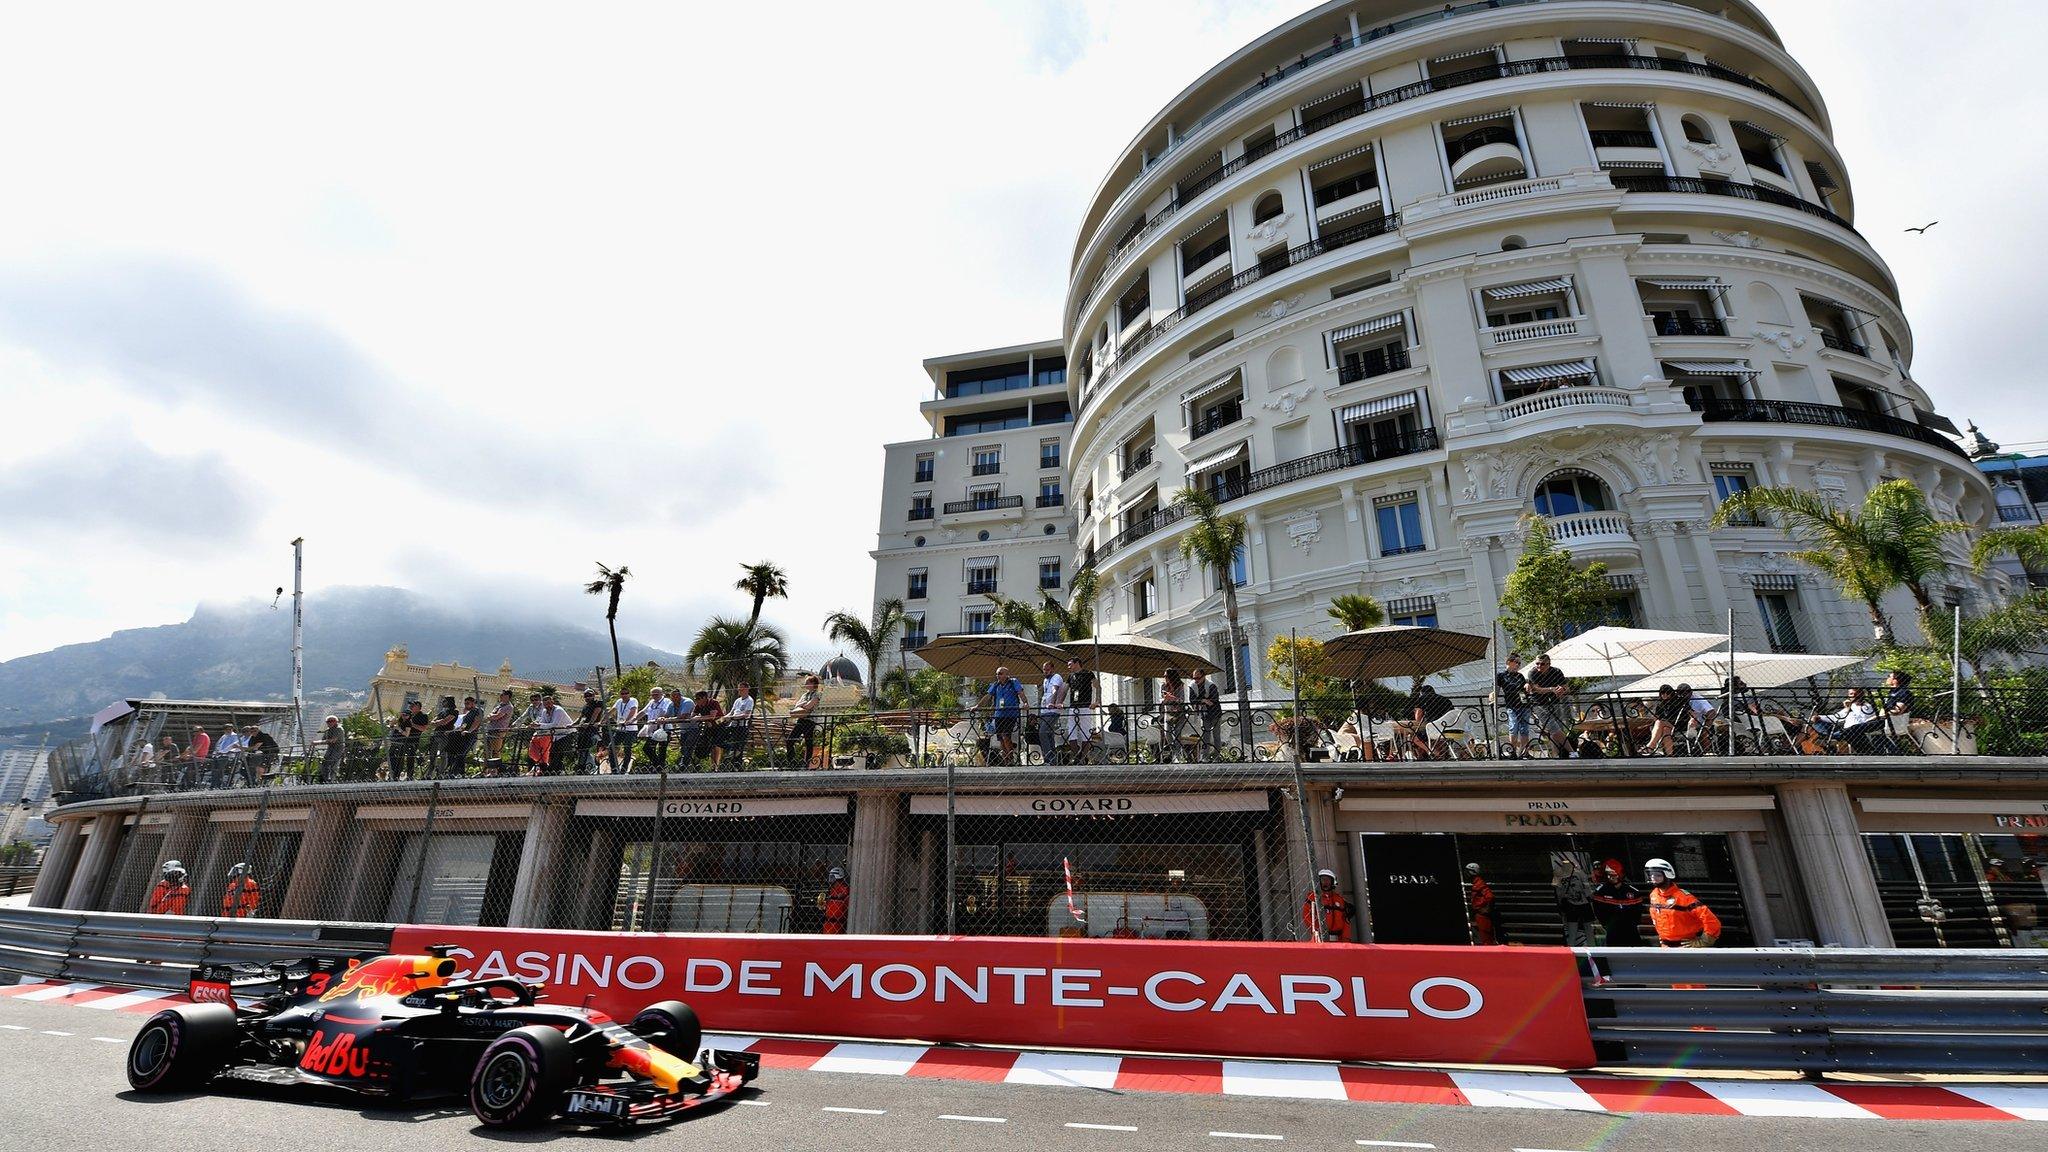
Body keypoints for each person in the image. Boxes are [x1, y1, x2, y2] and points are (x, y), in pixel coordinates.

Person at [1644, 858, 1721, 947]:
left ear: (1668, 875)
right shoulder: (1654, 895)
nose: (1653, 878)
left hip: (1685, 946)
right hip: (1665, 946)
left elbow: (1712, 921)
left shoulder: (1684, 898)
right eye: (1651, 874)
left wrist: (1704, 941)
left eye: (1657, 875)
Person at [1526, 653, 1575, 757]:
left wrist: (1562, 689)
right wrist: (1552, 689)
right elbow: (1536, 689)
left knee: (1556, 730)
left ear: (1549, 664)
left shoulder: (1556, 671)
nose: (1539, 666)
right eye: (1537, 663)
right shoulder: (1532, 672)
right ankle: (1572, 752)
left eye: (1542, 664)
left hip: (1555, 702)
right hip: (1539, 704)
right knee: (1554, 728)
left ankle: (1556, 754)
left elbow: (1567, 687)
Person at [1590, 859, 1645, 946]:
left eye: (1614, 874)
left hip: (1631, 933)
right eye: (1608, 874)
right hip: (1611, 933)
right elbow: (1599, 913)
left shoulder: (1633, 892)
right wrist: (1609, 925)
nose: (1611, 877)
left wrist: (1630, 924)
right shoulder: (1600, 892)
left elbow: (1637, 913)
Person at [1811, 686, 1879, 750]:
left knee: (1848, 730)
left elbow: (1862, 720)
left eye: (1855, 693)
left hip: (1854, 730)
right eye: (1851, 694)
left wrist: (1848, 708)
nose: (1853, 696)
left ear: (1861, 694)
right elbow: (1836, 717)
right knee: (1818, 722)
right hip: (1842, 730)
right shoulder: (1851, 706)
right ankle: (1827, 736)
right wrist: (1820, 717)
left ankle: (1828, 738)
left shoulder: (1867, 706)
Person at [985, 667, 1026, 764]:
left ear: (1007, 674)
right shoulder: (996, 685)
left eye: (1000, 673)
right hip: (999, 714)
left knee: (1005, 736)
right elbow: (988, 696)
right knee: (1000, 738)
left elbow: (1020, 692)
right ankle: (1006, 759)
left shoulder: (1013, 682)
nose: (998, 676)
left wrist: (1025, 703)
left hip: (1010, 714)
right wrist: (977, 706)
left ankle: (1011, 758)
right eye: (997, 674)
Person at [1495, 653, 1533, 759]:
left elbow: (1523, 688)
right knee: (1513, 726)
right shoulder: (1501, 676)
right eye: (1516, 662)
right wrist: (1493, 696)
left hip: (1523, 704)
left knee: (1524, 728)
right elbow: (1496, 690)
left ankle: (1524, 752)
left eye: (1519, 663)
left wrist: (1526, 685)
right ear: (1509, 662)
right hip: (1512, 705)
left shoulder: (1519, 676)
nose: (1518, 665)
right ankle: (1513, 750)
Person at [1553, 854, 1596, 947]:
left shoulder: (1577, 873)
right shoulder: (1559, 874)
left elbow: (1586, 887)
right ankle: (1575, 948)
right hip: (1573, 904)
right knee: (1575, 929)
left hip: (1581, 903)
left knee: (1585, 928)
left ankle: (1591, 948)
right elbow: (1557, 891)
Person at [1301, 868, 1354, 942]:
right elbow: (1306, 916)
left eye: (1328, 880)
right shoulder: (1313, 897)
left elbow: (1346, 921)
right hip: (1319, 939)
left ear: (1333, 882)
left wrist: (1346, 939)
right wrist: (1316, 932)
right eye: (1322, 879)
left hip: (1338, 940)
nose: (1325, 882)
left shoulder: (1340, 900)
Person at [526, 693, 572, 775]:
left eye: (549, 703)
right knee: (548, 753)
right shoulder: (544, 711)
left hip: (566, 734)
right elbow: (543, 723)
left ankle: (552, 771)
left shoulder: (558, 710)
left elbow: (555, 724)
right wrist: (535, 725)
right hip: (555, 735)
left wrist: (539, 725)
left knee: (555, 752)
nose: (547, 705)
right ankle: (548, 769)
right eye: (545, 704)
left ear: (552, 702)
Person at [717, 682, 756, 768]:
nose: (739, 690)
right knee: (718, 740)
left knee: (739, 746)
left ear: (746, 689)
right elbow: (731, 712)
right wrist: (723, 718)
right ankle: (733, 749)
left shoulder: (749, 700)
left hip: (741, 726)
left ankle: (737, 765)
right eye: (739, 689)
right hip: (732, 724)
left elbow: (746, 715)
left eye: (741, 688)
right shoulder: (737, 700)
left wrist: (733, 717)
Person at [786, 675, 822, 766]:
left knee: (808, 743)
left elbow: (809, 706)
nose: (805, 684)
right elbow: (796, 705)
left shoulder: (817, 694)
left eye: (807, 682)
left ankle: (806, 764)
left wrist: (803, 705)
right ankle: (791, 762)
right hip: (801, 720)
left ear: (813, 684)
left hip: (810, 721)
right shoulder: (804, 695)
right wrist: (804, 704)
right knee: (790, 740)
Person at [1065, 656, 1096, 754]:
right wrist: (1059, 702)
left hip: (1085, 706)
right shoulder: (1071, 676)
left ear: (1077, 663)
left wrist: (1096, 701)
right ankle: (1077, 755)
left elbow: (1097, 686)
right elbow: (1064, 690)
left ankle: (1083, 757)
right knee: (1071, 732)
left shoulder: (1088, 673)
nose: (1068, 667)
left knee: (1086, 732)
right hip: (1073, 706)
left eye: (1070, 664)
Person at [1191, 666, 1223, 760]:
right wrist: (1204, 700)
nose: (1196, 680)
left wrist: (1200, 700)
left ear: (1203, 676)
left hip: (1215, 713)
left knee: (1216, 735)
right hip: (1204, 714)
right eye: (1194, 678)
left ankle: (1217, 756)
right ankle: (1204, 757)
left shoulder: (1211, 685)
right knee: (1205, 736)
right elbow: (1192, 700)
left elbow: (1214, 700)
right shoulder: (1192, 686)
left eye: (1198, 678)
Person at [1037, 661, 1066, 763]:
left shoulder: (1056, 677)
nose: (1045, 671)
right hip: (1044, 710)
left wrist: (1052, 702)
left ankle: (1049, 758)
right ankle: (1052, 760)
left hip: (1052, 710)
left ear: (1053, 668)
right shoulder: (1045, 680)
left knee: (1043, 732)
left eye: (1047, 669)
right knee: (1048, 734)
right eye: (1044, 669)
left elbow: (1055, 690)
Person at [639, 687, 674, 770]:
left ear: (662, 694)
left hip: (664, 729)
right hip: (653, 729)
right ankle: (658, 766)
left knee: (662, 749)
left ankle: (660, 767)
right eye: (653, 694)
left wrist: (659, 719)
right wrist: (632, 720)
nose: (654, 696)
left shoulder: (666, 701)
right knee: (647, 748)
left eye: (656, 694)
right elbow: (643, 712)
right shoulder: (651, 702)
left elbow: (666, 713)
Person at [447, 696, 483, 775]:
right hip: (462, 736)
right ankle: (457, 772)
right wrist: (453, 731)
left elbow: (477, 722)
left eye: (468, 703)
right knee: (458, 754)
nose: (466, 705)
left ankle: (458, 773)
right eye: (465, 703)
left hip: (470, 736)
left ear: (473, 703)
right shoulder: (468, 714)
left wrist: (469, 731)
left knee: (461, 754)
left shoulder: (478, 711)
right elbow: (463, 725)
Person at [1647, 684, 1685, 755]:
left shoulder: (1678, 702)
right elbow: (1657, 717)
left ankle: (1651, 746)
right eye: (1662, 693)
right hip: (1666, 726)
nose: (1665, 695)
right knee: (1665, 730)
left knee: (1659, 722)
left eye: (1668, 693)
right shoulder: (1660, 704)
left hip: (1678, 725)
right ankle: (1670, 754)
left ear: (1671, 693)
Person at [484, 690, 516, 775]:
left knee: (496, 751)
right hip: (490, 729)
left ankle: (495, 772)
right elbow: (489, 715)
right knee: (487, 750)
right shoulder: (499, 706)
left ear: (508, 696)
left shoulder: (509, 707)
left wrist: (492, 716)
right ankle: (486, 770)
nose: (500, 696)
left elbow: (497, 716)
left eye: (503, 695)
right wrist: (492, 716)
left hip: (499, 731)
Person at [1466, 863, 1499, 945]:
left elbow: (1490, 896)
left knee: (1486, 937)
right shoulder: (1476, 883)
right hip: (1479, 914)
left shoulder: (1479, 883)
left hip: (1482, 915)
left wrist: (1486, 909)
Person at [609, 689, 641, 774]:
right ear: (620, 694)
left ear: (629, 694)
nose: (624, 695)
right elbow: (612, 710)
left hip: (630, 729)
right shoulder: (619, 701)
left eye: (626, 693)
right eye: (622, 693)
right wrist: (603, 720)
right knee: (611, 747)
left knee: (627, 748)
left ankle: (624, 768)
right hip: (620, 729)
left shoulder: (633, 701)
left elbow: (633, 711)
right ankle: (614, 768)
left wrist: (626, 721)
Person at [1158, 669, 1187, 762]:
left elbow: (1182, 700)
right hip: (1168, 713)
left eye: (1166, 676)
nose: (1164, 678)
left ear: (1171, 677)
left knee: (1177, 734)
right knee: (1167, 733)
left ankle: (1177, 756)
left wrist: (1172, 698)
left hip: (1179, 713)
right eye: (1164, 676)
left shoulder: (1180, 686)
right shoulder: (1163, 686)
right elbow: (1161, 700)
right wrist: (1165, 699)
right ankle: (1174, 751)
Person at [576, 689, 607, 773]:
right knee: (581, 749)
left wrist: (589, 724)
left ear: (593, 696)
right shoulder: (585, 706)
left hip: (592, 730)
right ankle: (583, 766)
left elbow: (595, 714)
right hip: (583, 731)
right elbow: (580, 717)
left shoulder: (598, 703)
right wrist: (572, 724)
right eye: (586, 696)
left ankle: (592, 766)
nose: (588, 697)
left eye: (589, 695)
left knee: (588, 748)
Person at [427, 696, 459, 777]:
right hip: (436, 733)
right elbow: (432, 722)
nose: (442, 702)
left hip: (445, 735)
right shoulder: (442, 712)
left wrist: (438, 722)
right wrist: (439, 722)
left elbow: (445, 721)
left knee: (443, 755)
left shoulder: (454, 711)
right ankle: (430, 773)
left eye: (444, 701)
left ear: (449, 702)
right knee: (432, 754)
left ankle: (440, 773)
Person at [821, 866, 850, 934]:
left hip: (837, 924)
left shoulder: (844, 890)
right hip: (828, 923)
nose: (830, 880)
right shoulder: (832, 890)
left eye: (832, 877)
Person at [320, 715, 345, 782]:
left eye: (332, 721)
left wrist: (317, 742)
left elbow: (333, 740)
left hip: (338, 749)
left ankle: (332, 780)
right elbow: (324, 739)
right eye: (328, 721)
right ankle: (326, 780)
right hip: (330, 749)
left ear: (336, 722)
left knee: (333, 765)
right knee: (324, 764)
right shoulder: (328, 730)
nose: (330, 723)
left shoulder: (339, 729)